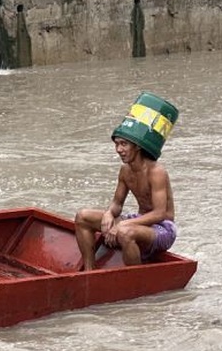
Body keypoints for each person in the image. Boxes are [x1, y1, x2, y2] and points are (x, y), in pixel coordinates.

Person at [74, 95, 179, 270]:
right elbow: (117, 203)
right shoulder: (125, 171)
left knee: (124, 231)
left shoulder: (157, 172)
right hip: (138, 221)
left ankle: (135, 279)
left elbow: (160, 213)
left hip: (162, 228)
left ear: (137, 146)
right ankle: (89, 271)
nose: (119, 150)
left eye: (124, 144)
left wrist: (124, 224)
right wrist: (109, 214)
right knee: (82, 217)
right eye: (117, 144)